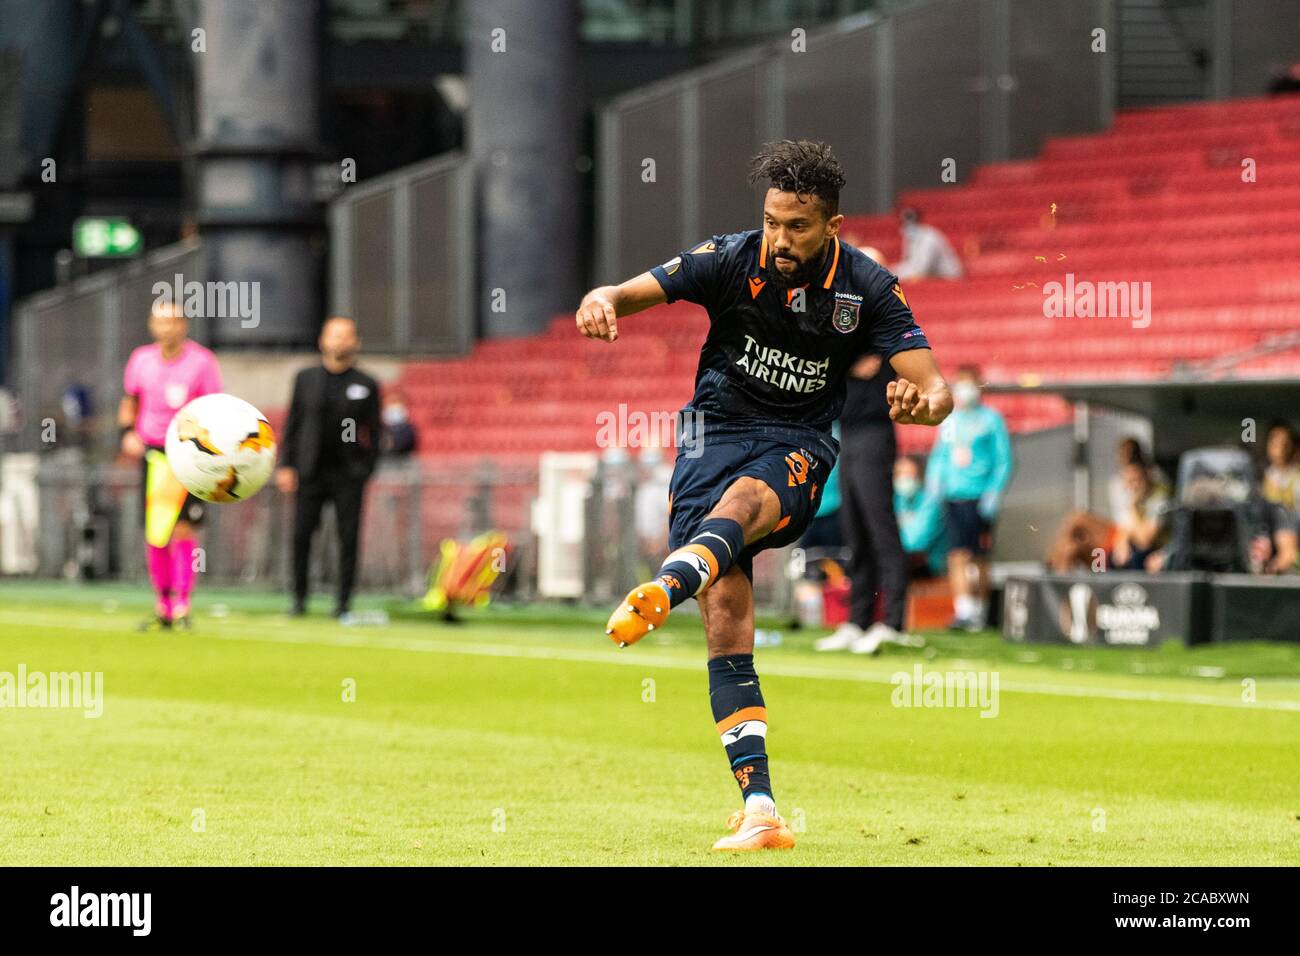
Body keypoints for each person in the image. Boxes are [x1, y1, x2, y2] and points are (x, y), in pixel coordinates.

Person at [574, 140, 951, 851]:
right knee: (724, 612)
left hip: (796, 441)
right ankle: (761, 810)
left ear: (832, 227)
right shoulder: (729, 256)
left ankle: (671, 578)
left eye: (798, 226)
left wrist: (922, 403)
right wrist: (602, 299)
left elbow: (938, 389)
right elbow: (631, 292)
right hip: (707, 433)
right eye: (774, 221)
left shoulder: (868, 286)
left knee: (746, 503)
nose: (780, 238)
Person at [118, 300, 223, 631]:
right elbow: (130, 401)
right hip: (154, 455)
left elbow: (214, 407)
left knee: (183, 530)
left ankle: (183, 602)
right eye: (161, 322)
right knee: (156, 531)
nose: (167, 328)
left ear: (184, 325)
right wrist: (127, 433)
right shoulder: (141, 359)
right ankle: (162, 603)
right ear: (152, 325)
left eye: (173, 321)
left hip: (189, 456)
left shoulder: (202, 362)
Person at [275, 317, 382, 618]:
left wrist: (366, 467)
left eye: (345, 336)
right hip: (310, 471)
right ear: (322, 340)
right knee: (302, 535)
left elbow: (374, 430)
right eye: (333, 335)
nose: (339, 342)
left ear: (355, 342)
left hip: (348, 474)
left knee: (347, 539)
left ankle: (343, 602)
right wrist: (287, 465)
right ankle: (299, 599)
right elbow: (294, 423)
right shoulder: (305, 378)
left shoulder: (365, 384)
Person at [815, 353, 911, 654]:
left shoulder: (880, 327)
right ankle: (859, 621)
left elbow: (877, 359)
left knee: (881, 529)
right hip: (849, 432)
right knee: (855, 531)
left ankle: (893, 623)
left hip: (875, 430)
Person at [926, 365, 1012, 631]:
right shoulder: (950, 420)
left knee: (978, 557)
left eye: (969, 383)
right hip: (954, 496)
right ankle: (963, 609)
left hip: (979, 497)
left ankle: (981, 610)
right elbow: (941, 454)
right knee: (956, 555)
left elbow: (1003, 459)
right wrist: (934, 481)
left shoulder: (991, 420)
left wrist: (994, 491)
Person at [894, 455, 948, 578]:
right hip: (901, 561)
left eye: (909, 474)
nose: (904, 478)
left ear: (919, 476)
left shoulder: (930, 503)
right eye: (900, 474)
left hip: (928, 566)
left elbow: (916, 544)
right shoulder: (895, 500)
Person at [1110, 460, 1170, 570]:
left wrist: (1133, 507)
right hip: (1137, 544)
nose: (1131, 486)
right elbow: (1124, 528)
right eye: (1128, 481)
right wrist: (1122, 544)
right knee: (1108, 556)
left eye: (1135, 480)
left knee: (1138, 557)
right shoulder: (1128, 495)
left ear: (1145, 477)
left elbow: (1145, 540)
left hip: (1161, 549)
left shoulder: (1159, 498)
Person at [893, 207, 963, 281]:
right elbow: (909, 264)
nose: (906, 227)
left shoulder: (930, 238)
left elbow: (924, 270)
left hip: (949, 279)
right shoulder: (909, 239)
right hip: (933, 277)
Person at [1261, 422, 1300, 519]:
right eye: (1275, 443)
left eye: (1285, 443)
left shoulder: (1296, 476)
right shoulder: (1265, 474)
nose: (1280, 449)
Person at [379, 387, 419, 458]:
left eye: (396, 402)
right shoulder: (378, 428)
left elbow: (405, 446)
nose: (393, 406)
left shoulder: (409, 429)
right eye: (390, 402)